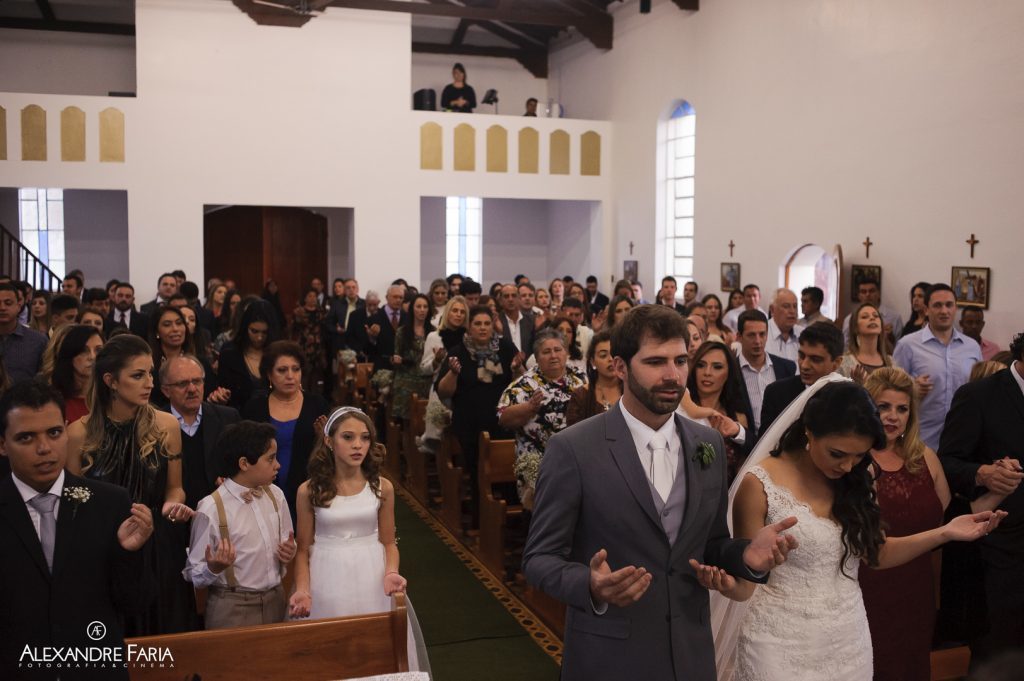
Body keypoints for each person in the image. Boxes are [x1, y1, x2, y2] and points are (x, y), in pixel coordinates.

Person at [524, 304, 796, 681]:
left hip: (690, 652)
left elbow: (711, 542)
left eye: (680, 361)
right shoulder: (573, 449)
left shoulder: (708, 444)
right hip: (609, 655)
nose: (673, 375)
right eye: (655, 362)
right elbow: (539, 558)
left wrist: (745, 555)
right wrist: (590, 584)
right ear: (620, 367)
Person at [707, 378, 1006, 681]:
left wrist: (945, 532)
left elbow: (876, 553)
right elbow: (746, 587)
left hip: (848, 637)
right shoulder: (759, 484)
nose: (848, 466)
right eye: (837, 454)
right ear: (809, 431)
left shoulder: (857, 479)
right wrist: (729, 584)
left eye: (859, 455)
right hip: (777, 640)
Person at [0, 379, 155, 681]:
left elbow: (135, 603)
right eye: (26, 437)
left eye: (54, 433)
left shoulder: (109, 503)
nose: (44, 448)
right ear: (3, 444)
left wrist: (129, 555)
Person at [860, 368, 1008, 681]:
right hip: (868, 586)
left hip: (918, 588)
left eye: (902, 409)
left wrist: (1001, 490)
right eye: (883, 407)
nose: (893, 416)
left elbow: (953, 519)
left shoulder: (924, 457)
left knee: (913, 666)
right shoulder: (855, 460)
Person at [65, 334, 198, 636]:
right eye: (138, 375)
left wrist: (172, 505)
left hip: (156, 546)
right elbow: (71, 504)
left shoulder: (167, 425)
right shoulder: (77, 434)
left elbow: (175, 488)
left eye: (150, 373)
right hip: (102, 551)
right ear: (111, 381)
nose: (149, 383)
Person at [289, 407, 427, 669]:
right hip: (326, 577)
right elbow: (303, 549)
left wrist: (391, 571)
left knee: (376, 653)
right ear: (329, 441)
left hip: (372, 577)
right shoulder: (308, 491)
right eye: (348, 437)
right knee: (331, 653)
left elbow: (389, 542)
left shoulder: (382, 487)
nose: (358, 445)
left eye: (365, 438)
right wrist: (303, 589)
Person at [939, 331, 1024, 668]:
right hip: (999, 552)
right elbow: (947, 462)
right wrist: (982, 473)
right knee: (998, 657)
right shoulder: (979, 396)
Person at [184, 420, 296, 629]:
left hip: (276, 598)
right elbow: (193, 573)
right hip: (232, 606)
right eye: (270, 458)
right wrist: (213, 568)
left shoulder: (276, 495)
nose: (278, 465)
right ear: (244, 464)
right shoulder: (211, 508)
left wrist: (289, 550)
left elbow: (287, 540)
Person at [436, 306, 520, 524]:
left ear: (492, 326)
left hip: (501, 422)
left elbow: (520, 383)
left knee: (506, 470)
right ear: (469, 327)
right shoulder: (458, 352)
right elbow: (443, 391)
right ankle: (480, 518)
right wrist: (453, 373)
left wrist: (517, 370)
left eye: (487, 324)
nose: (483, 328)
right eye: (478, 324)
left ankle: (508, 520)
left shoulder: (505, 348)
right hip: (469, 423)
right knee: (477, 471)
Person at [498, 328, 587, 508]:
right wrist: (529, 408)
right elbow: (503, 418)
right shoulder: (523, 385)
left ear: (566, 353)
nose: (553, 356)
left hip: (576, 457)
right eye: (546, 352)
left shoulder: (580, 377)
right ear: (537, 358)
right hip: (537, 461)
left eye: (558, 350)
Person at [241, 341, 329, 514]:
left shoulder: (317, 405)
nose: (290, 376)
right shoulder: (255, 408)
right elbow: (244, 451)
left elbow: (332, 453)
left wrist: (323, 438)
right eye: (282, 370)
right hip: (263, 493)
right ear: (269, 374)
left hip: (309, 491)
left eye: (296, 369)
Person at [893, 283, 981, 449]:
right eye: (937, 305)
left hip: (963, 440)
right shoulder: (907, 345)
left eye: (949, 305)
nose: (944, 311)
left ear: (955, 308)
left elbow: (980, 390)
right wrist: (912, 388)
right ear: (926, 310)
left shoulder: (972, 347)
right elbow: (892, 391)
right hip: (921, 440)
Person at [159, 355, 241, 509]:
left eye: (197, 381)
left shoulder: (228, 418)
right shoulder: (154, 425)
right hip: (172, 516)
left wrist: (232, 479)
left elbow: (242, 466)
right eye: (182, 383)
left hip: (220, 514)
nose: (192, 389)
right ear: (166, 390)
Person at [683, 340, 752, 483]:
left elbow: (745, 466)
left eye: (717, 367)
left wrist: (736, 431)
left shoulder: (737, 416)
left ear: (729, 373)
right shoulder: (682, 407)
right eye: (701, 365)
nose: (707, 373)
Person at [759, 321, 844, 436]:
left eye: (815, 359)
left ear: (837, 362)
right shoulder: (776, 394)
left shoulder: (847, 398)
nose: (804, 365)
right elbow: (765, 443)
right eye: (801, 356)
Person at [735, 309, 796, 435]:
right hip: (746, 441)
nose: (758, 341)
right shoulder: (731, 370)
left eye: (762, 334)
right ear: (739, 337)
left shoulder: (787, 368)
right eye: (751, 335)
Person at [218, 300, 279, 410]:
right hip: (239, 416)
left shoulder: (279, 354)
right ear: (245, 328)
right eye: (254, 331)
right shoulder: (229, 355)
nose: (259, 337)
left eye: (264, 332)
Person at [391, 293, 435, 422]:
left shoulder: (433, 332)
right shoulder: (402, 331)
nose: (422, 310)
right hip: (406, 377)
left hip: (426, 378)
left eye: (425, 307)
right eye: (418, 306)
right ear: (412, 309)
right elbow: (396, 355)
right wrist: (397, 360)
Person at [50, 324, 103, 425]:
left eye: (98, 350)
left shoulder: (111, 399)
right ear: (70, 355)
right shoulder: (54, 402)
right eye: (84, 351)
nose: (92, 357)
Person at [566, 329, 620, 426]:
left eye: (614, 354)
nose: (610, 359)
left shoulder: (632, 390)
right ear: (592, 361)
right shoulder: (581, 396)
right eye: (603, 355)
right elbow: (573, 433)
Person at [0, 282, 48, 382]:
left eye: (8, 303)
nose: (2, 308)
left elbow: (45, 378)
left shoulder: (38, 341)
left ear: (18, 306)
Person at [839, 302, 892, 382]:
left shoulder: (891, 362)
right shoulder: (844, 363)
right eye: (865, 317)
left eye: (876, 316)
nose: (872, 318)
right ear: (855, 327)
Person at [842, 277, 904, 344]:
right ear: (859, 296)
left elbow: (900, 346)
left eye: (871, 291)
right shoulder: (849, 319)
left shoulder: (895, 318)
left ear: (878, 294)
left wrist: (890, 337)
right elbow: (846, 345)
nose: (867, 294)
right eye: (863, 292)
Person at [290, 288, 328, 392]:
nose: (312, 298)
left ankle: (315, 396)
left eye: (314, 296)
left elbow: (324, 329)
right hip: (303, 346)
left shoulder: (321, 312)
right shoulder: (298, 312)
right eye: (310, 296)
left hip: (318, 347)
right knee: (304, 375)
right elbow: (293, 330)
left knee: (316, 376)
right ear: (305, 298)